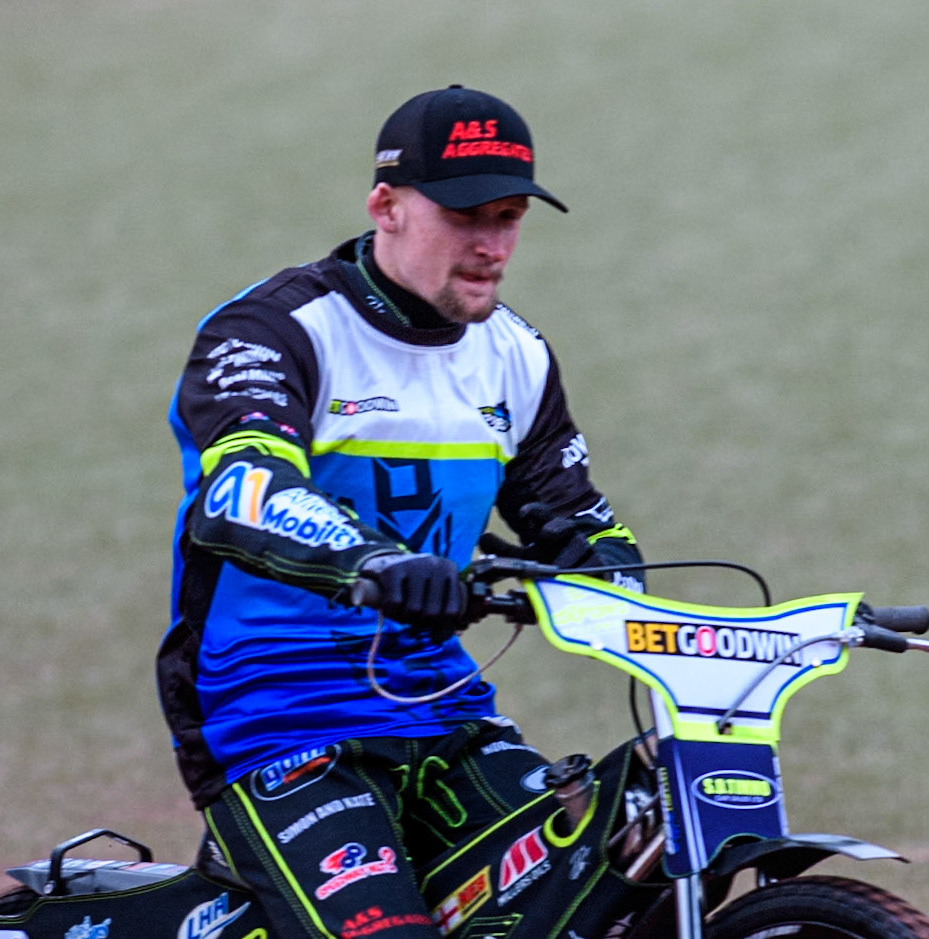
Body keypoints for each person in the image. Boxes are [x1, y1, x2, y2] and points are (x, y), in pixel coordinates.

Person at [159, 84, 644, 938]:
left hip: (444, 708)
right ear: (385, 206)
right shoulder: (274, 330)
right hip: (276, 715)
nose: (492, 246)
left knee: (593, 886)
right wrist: (374, 563)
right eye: (465, 217)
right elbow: (243, 492)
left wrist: (610, 572)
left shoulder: (515, 355)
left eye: (509, 216)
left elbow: (578, 520)